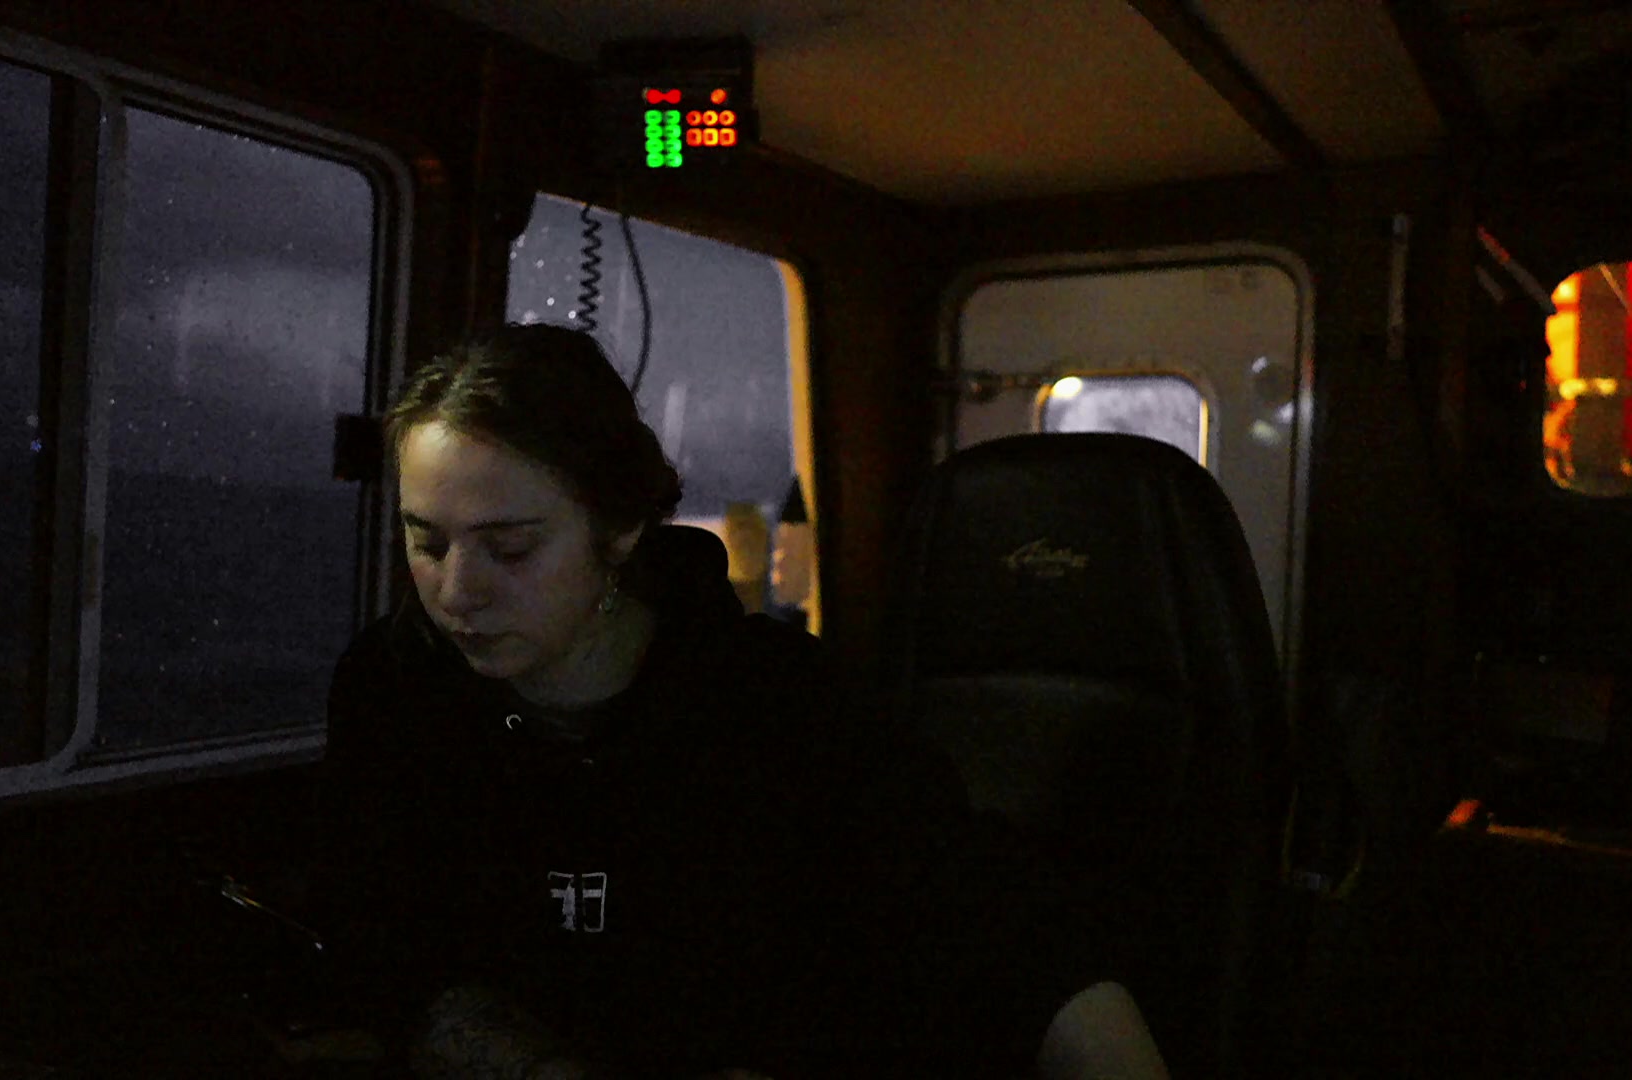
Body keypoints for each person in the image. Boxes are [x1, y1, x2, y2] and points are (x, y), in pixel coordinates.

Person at [309, 324, 1170, 1078]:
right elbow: (382, 955)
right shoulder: (395, 692)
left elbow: (997, 926)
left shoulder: (782, 703)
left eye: (511, 549)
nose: (457, 591)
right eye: (428, 543)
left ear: (620, 526)